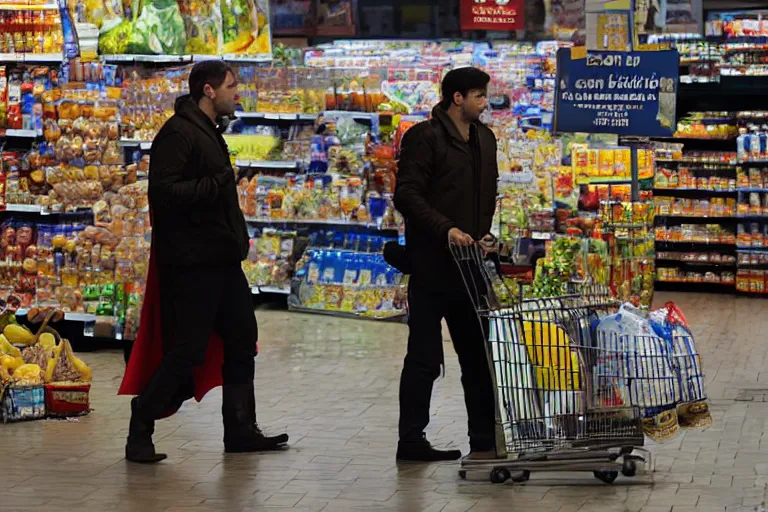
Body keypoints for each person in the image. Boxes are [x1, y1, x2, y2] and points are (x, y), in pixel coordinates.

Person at [119, 60, 288, 464]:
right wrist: (219, 182)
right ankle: (141, 422)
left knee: (242, 338)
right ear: (209, 91)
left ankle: (241, 429)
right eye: (231, 86)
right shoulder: (178, 133)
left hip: (221, 257)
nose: (237, 93)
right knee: (188, 351)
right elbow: (163, 193)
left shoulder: (208, 131)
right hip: (193, 262)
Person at [393, 67, 499, 462]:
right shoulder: (425, 138)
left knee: (479, 357)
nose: (484, 102)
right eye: (478, 95)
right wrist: (446, 229)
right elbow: (406, 195)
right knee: (423, 357)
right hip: (430, 266)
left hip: (470, 267)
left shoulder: (485, 139)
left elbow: (487, 193)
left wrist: (484, 234)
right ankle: (411, 440)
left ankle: (484, 440)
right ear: (457, 98)